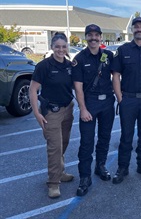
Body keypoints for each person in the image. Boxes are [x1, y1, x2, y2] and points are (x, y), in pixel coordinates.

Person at [111, 16, 141, 184]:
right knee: (126, 136)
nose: (139, 29)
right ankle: (122, 167)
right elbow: (115, 75)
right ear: (132, 30)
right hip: (128, 100)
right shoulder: (123, 50)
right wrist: (120, 99)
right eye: (136, 27)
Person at [29, 32, 74, 198]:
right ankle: (53, 183)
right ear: (52, 47)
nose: (61, 50)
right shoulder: (44, 66)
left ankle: (60, 172)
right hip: (51, 112)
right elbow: (33, 89)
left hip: (68, 109)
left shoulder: (70, 65)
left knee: (64, 143)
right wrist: (36, 112)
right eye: (57, 47)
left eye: (63, 46)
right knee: (54, 148)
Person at [72, 24, 115, 196]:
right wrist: (82, 109)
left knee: (105, 137)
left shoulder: (108, 55)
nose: (93, 38)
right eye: (90, 35)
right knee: (87, 142)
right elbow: (78, 87)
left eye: (96, 35)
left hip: (107, 103)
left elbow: (117, 75)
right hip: (89, 104)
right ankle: (84, 176)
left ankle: (100, 166)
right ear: (86, 38)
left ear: (101, 37)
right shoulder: (79, 59)